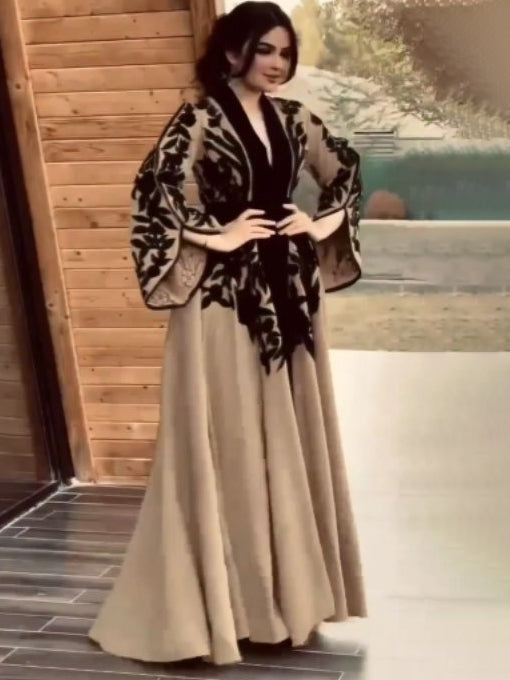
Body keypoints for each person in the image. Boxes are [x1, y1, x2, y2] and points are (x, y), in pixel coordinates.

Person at [89, 0, 367, 666]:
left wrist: (317, 224)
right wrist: (216, 234)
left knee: (286, 437)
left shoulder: (295, 119)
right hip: (221, 305)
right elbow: (153, 194)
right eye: (266, 49)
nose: (278, 63)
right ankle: (224, 608)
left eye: (286, 52)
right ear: (233, 50)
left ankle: (284, 604)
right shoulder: (198, 119)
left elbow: (347, 173)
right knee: (231, 437)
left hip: (289, 298)